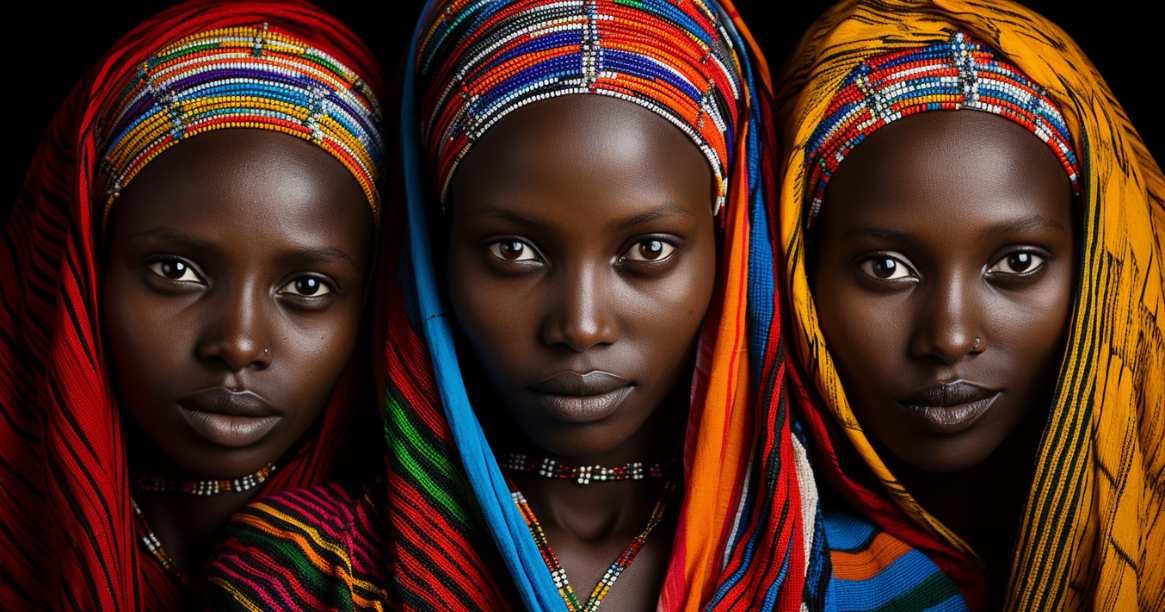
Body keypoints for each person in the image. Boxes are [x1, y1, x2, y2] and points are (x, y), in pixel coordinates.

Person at [208, 0, 833, 609]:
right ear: (434, 250)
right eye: (513, 251)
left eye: (649, 248)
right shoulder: (304, 572)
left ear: (728, 251)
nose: (581, 326)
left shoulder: (858, 578)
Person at [775, 1, 1165, 609]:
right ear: (799, 273)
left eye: (1016, 263)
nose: (951, 337)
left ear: (1100, 266)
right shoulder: (743, 569)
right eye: (886, 268)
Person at [0, 1, 384, 607]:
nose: (236, 342)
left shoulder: (403, 573)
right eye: (176, 271)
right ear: (83, 266)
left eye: (307, 287)